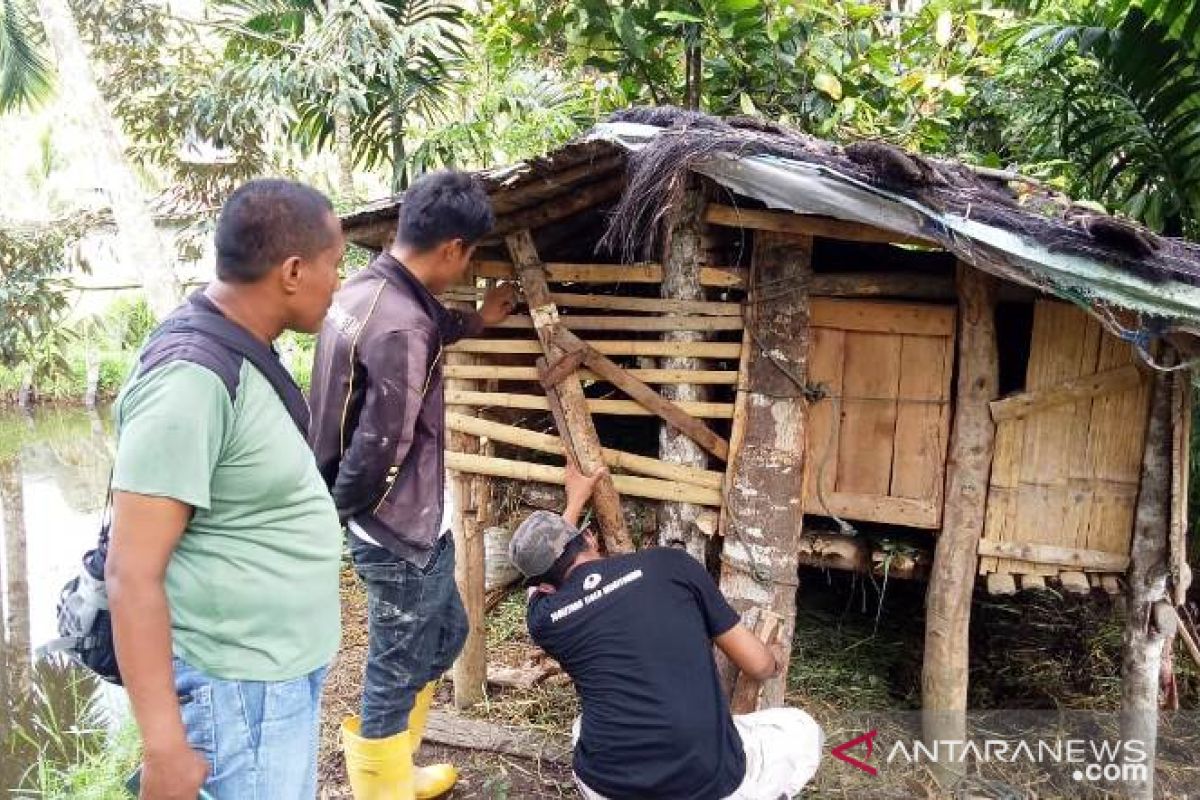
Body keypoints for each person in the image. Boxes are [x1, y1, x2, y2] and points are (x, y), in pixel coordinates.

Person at [106, 179, 346, 800]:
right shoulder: (190, 379)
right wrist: (165, 749)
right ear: (293, 271)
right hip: (237, 689)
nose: (339, 283)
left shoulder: (242, 347)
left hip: (269, 677)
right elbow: (132, 573)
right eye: (335, 266)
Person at [308, 170, 516, 800]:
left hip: (412, 519)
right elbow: (379, 449)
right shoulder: (402, 329)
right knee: (394, 667)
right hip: (396, 528)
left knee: (446, 635)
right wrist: (345, 520)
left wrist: (477, 321)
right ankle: (380, 788)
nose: (467, 264)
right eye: (470, 254)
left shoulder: (367, 292)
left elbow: (428, 323)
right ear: (453, 248)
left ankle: (396, 765)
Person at [509, 463, 824, 800]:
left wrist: (571, 506)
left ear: (542, 585)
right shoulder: (669, 565)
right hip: (710, 784)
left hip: (606, 785)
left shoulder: (542, 620)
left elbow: (553, 573)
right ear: (589, 536)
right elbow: (757, 666)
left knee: (581, 728)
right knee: (803, 730)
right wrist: (774, 659)